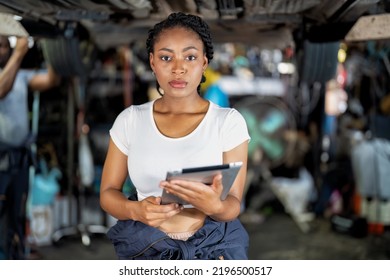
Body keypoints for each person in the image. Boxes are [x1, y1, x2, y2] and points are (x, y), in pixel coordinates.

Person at [100, 12, 251, 260]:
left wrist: (216, 206)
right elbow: (107, 193)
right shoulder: (131, 120)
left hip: (214, 247)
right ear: (152, 62)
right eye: (166, 57)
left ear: (203, 63)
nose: (178, 68)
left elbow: (233, 203)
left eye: (190, 57)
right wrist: (134, 210)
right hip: (147, 249)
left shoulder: (228, 122)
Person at [0, 35, 60, 259]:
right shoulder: (8, 76)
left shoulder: (21, 76)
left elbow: (52, 80)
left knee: (17, 216)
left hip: (19, 159)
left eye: (5, 45)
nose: (1, 50)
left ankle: (14, 259)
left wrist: (52, 47)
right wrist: (19, 53)